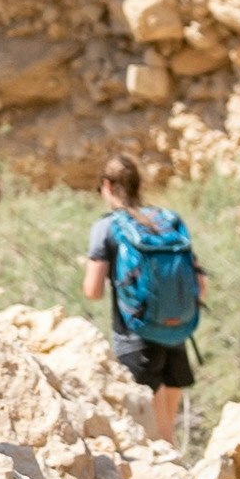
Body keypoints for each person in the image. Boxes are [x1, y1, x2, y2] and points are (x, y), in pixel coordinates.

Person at [87, 154, 205, 441]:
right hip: (176, 331)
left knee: (151, 438)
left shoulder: (107, 227)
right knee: (168, 432)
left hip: (135, 337)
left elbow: (92, 290)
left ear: (107, 186)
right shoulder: (167, 220)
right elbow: (199, 284)